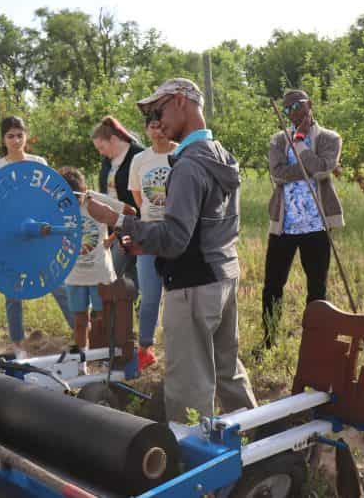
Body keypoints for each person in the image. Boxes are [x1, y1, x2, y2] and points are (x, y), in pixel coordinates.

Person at [86, 79, 257, 422]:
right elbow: (206, 229)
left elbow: (177, 238)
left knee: (188, 386)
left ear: (181, 101)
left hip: (193, 285)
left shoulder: (189, 165)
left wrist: (118, 221)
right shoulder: (222, 156)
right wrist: (147, 240)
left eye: (157, 110)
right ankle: (259, 442)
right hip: (223, 276)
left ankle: (192, 464)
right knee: (227, 370)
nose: (155, 121)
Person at [258, 90, 343, 353]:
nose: (293, 112)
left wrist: (301, 142)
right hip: (284, 225)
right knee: (273, 283)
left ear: (310, 105)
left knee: (317, 286)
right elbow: (278, 174)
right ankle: (269, 339)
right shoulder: (277, 140)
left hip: (317, 225)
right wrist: (309, 166)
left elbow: (323, 168)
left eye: (297, 106)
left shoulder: (329, 138)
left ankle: (315, 343)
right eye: (287, 109)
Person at [0, 115, 72, 356]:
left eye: (19, 135)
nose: (16, 140)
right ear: (3, 139)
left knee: (57, 283)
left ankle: (80, 334)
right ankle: (18, 345)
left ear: (26, 136)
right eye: (10, 136)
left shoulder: (39, 162)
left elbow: (49, 194)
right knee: (12, 290)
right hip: (10, 235)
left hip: (39, 231)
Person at [127, 118, 177, 370]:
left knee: (177, 295)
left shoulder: (181, 154)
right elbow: (138, 198)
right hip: (148, 232)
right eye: (153, 126)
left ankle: (178, 349)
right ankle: (145, 348)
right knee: (149, 294)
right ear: (146, 130)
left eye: (161, 125)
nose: (158, 131)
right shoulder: (140, 160)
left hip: (176, 231)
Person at [57, 167, 120, 355]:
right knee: (80, 320)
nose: (76, 203)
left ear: (85, 191)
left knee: (104, 318)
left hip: (100, 272)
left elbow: (129, 213)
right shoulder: (56, 205)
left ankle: (108, 357)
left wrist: (111, 239)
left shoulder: (96, 201)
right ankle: (82, 361)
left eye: (79, 198)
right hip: (74, 274)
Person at [91, 117, 144, 285]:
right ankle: (129, 308)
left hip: (133, 227)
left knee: (109, 276)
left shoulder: (139, 156)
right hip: (113, 229)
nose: (100, 152)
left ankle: (108, 310)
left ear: (113, 139)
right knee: (129, 279)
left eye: (102, 147)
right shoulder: (107, 161)